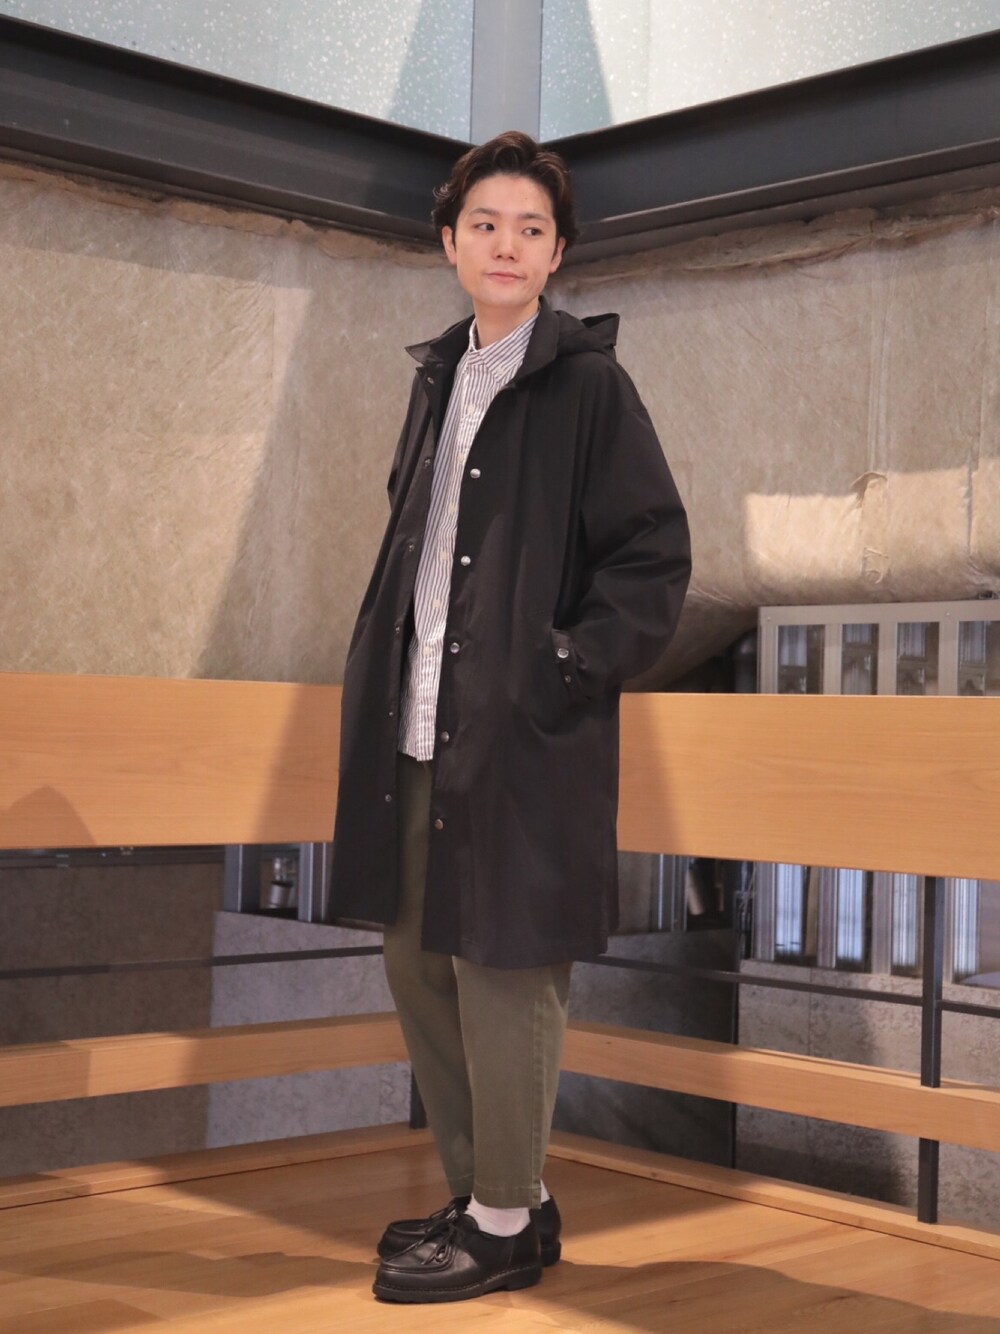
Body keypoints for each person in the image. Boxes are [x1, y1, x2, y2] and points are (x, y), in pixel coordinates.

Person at [327, 130, 691, 1304]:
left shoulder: (589, 386)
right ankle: (499, 1195)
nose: (506, 243)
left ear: (557, 253)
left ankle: (500, 1221)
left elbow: (653, 557)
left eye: (531, 228)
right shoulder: (438, 378)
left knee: (506, 966)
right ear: (449, 241)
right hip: (419, 725)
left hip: (521, 731)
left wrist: (564, 667)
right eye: (485, 223)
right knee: (415, 953)